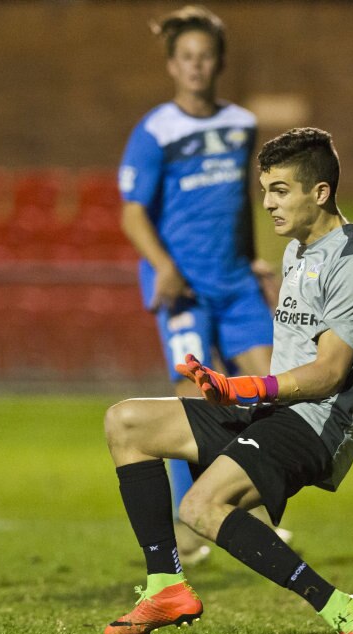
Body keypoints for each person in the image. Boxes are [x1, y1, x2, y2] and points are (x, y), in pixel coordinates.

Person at [102, 127, 353, 634]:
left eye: (280, 191)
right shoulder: (299, 251)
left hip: (317, 425)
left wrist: (242, 386)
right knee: (126, 423)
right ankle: (166, 586)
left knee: (199, 507)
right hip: (273, 411)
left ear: (319, 193)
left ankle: (339, 605)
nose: (267, 204)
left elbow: (327, 373)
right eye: (264, 191)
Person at [117, 5, 282, 563]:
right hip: (183, 290)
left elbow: (241, 202)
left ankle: (241, 511)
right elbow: (132, 213)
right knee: (193, 404)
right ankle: (191, 528)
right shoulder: (155, 130)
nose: (195, 66)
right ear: (172, 65)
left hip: (235, 284)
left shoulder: (239, 124)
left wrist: (256, 260)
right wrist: (162, 264)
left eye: (205, 57)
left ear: (219, 64)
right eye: (185, 57)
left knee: (267, 397)